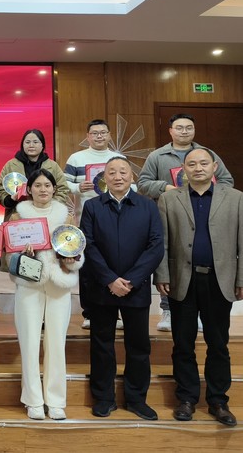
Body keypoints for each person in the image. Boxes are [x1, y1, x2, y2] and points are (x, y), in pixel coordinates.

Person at [156, 148, 243, 427]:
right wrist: (162, 274)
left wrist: (241, 279)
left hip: (219, 280)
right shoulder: (169, 199)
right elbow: (162, 242)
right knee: (183, 343)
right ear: (184, 169)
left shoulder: (236, 198)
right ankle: (186, 398)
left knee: (218, 344)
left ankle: (218, 401)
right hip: (182, 279)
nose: (198, 168)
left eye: (204, 163)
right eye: (192, 164)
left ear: (215, 166)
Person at [81, 156, 164, 420]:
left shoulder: (147, 206)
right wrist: (109, 279)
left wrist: (131, 280)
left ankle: (137, 399)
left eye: (123, 172)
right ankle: (104, 398)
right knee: (101, 344)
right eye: (112, 172)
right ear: (104, 177)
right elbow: (88, 245)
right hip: (101, 286)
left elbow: (156, 246)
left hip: (135, 288)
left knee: (138, 345)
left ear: (132, 176)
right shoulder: (92, 207)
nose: (118, 177)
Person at [138, 113, 234, 332]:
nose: (184, 131)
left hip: (204, 214)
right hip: (170, 216)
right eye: (179, 128)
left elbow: (227, 181)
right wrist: (166, 188)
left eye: (189, 127)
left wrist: (206, 191)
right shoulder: (157, 156)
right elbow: (143, 184)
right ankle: (167, 309)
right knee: (172, 259)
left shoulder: (207, 154)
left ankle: (198, 311)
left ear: (194, 130)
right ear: (170, 131)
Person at [6, 169, 83, 421]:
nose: (43, 190)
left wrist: (72, 259)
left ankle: (56, 400)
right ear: (29, 189)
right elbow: (9, 255)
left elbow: (76, 246)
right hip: (29, 285)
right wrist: (22, 256)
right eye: (37, 185)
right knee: (29, 343)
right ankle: (33, 400)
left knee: (56, 343)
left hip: (59, 284)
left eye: (47, 185)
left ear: (54, 189)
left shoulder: (66, 215)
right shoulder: (18, 214)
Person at [63, 119, 126, 330]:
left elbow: (132, 185)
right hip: (86, 220)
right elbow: (63, 184)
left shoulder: (118, 159)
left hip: (116, 219)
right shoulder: (77, 158)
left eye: (103, 132)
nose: (99, 136)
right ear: (87, 136)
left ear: (109, 135)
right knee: (88, 267)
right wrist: (78, 187)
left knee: (115, 264)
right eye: (95, 133)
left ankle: (116, 313)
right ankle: (89, 313)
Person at [0, 129, 70, 221]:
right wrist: (11, 199)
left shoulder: (53, 166)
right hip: (17, 214)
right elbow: (0, 189)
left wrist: (50, 204)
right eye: (27, 142)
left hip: (48, 214)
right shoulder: (10, 165)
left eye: (35, 142)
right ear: (22, 145)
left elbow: (63, 189)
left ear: (42, 145)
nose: (31, 145)